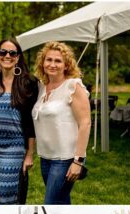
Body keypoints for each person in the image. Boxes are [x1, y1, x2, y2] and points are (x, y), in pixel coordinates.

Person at [32, 41, 91, 204]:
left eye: (58, 61)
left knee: (50, 204)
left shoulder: (73, 86)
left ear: (66, 65)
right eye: (49, 60)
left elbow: (85, 123)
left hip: (65, 158)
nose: (52, 64)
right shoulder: (42, 87)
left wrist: (78, 161)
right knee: (61, 203)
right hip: (45, 157)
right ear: (42, 62)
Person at [0, 39, 38, 204]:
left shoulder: (28, 83)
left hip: (13, 146)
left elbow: (30, 122)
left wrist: (29, 154)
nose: (7, 56)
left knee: (8, 197)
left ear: (18, 57)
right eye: (3, 52)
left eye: (12, 53)